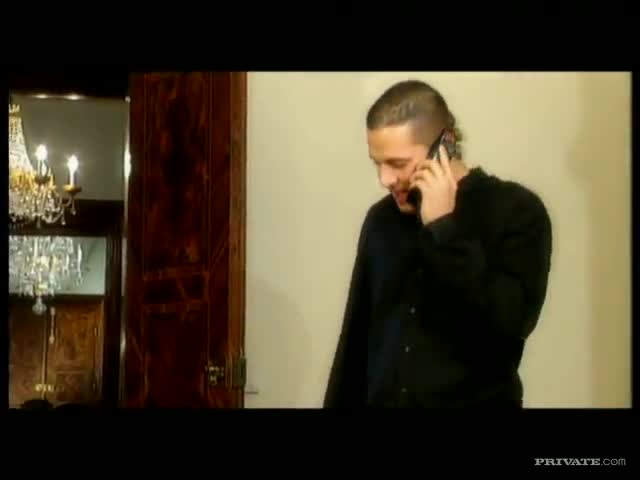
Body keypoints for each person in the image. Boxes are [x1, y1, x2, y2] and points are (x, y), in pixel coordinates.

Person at [323, 80, 552, 408]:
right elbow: (355, 344)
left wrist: (444, 228)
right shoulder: (381, 220)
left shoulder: (517, 212)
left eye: (398, 164)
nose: (385, 179)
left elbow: (511, 323)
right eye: (377, 163)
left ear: (445, 145)